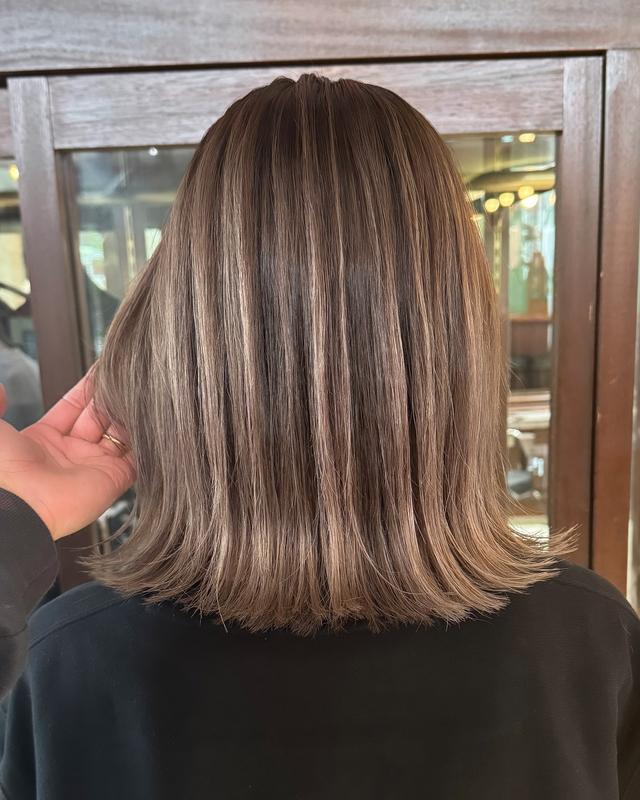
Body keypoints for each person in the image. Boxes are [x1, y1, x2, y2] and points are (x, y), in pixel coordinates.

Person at [0, 73, 638, 799]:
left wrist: (16, 518)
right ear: (456, 337)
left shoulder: (63, 664)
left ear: (186, 337)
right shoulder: (589, 643)